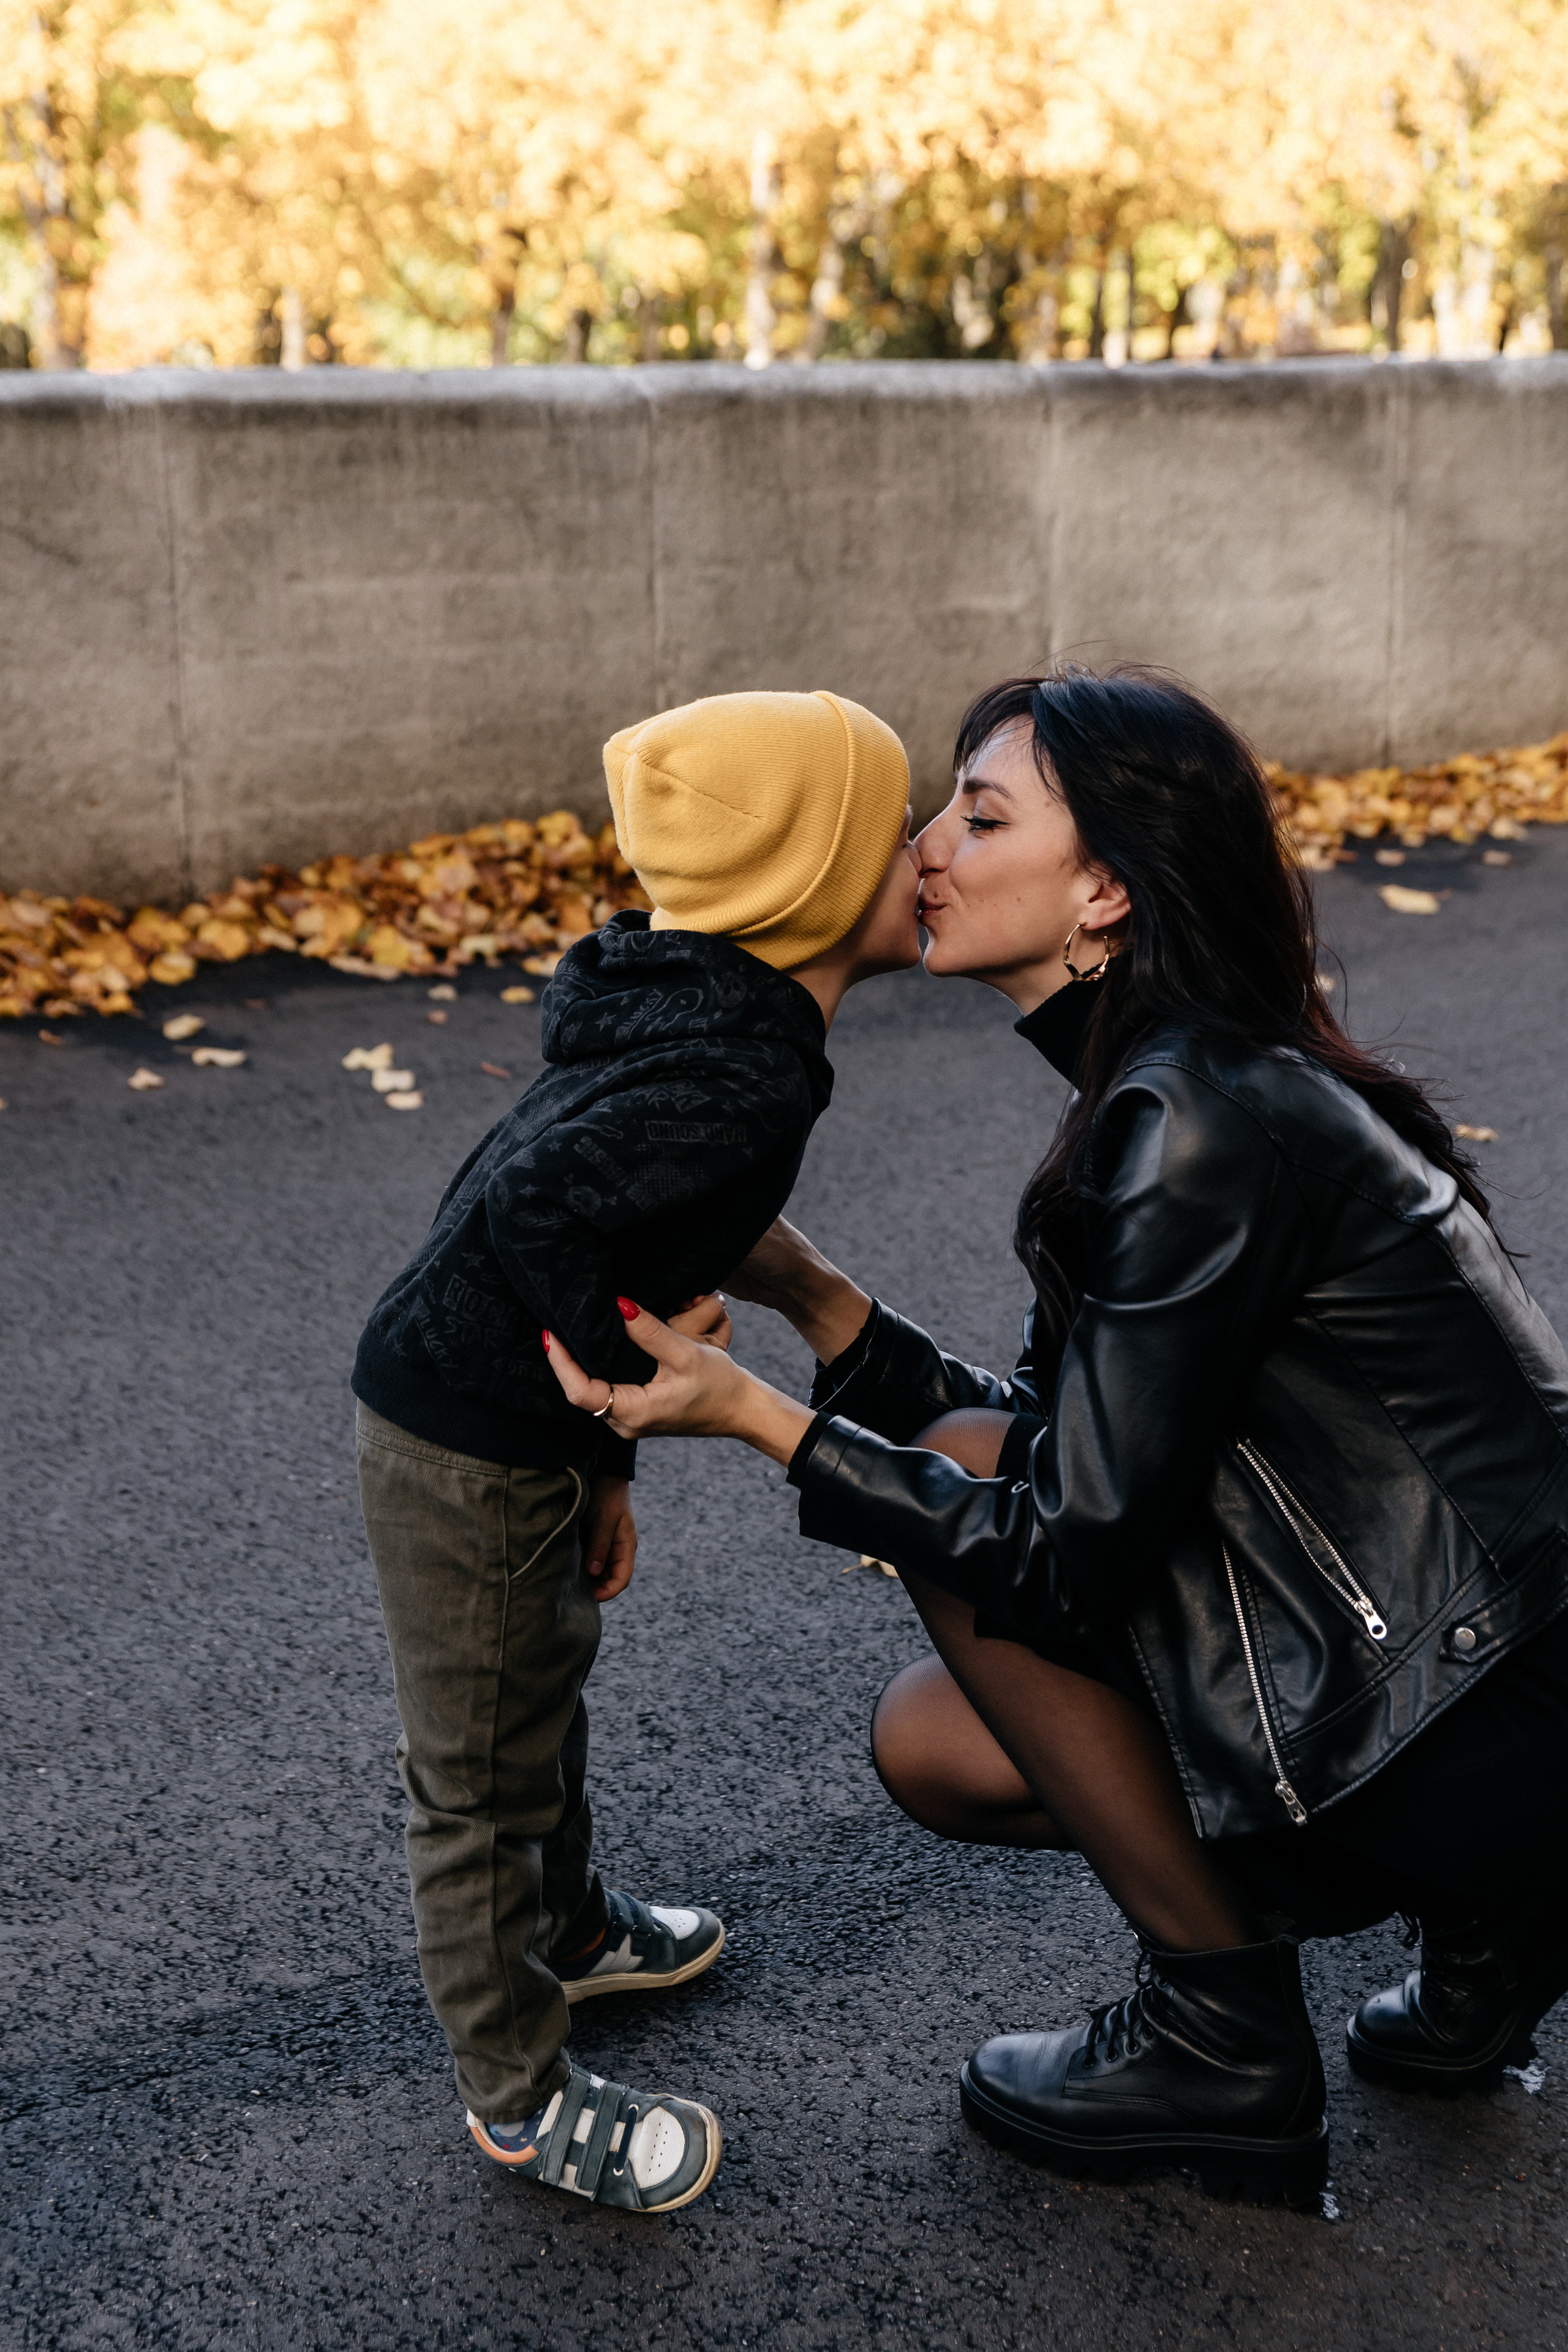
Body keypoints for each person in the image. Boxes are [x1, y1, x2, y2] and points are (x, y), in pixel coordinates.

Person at [541, 665, 1568, 2208]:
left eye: (978, 813)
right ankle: (1498, 1916)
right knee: (937, 1706)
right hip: (1467, 1669)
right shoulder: (1177, 1083)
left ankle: (1225, 2038)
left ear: (1101, 892)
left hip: (1484, 1701)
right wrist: (818, 1302)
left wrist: (751, 1415)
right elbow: (1083, 1443)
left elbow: (1061, 1548)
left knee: (963, 1530)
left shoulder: (1194, 1118)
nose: (923, 849)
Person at [353, 688, 919, 2213]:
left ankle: (572, 1933)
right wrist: (612, 1392)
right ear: (811, 888)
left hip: (510, 1434)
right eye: (897, 831)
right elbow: (539, 1203)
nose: (927, 853)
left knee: (538, 1692)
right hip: (460, 1438)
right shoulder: (733, 1069)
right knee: (476, 1774)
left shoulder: (709, 1010)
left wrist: (603, 1466)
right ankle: (517, 2096)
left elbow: (617, 1219)